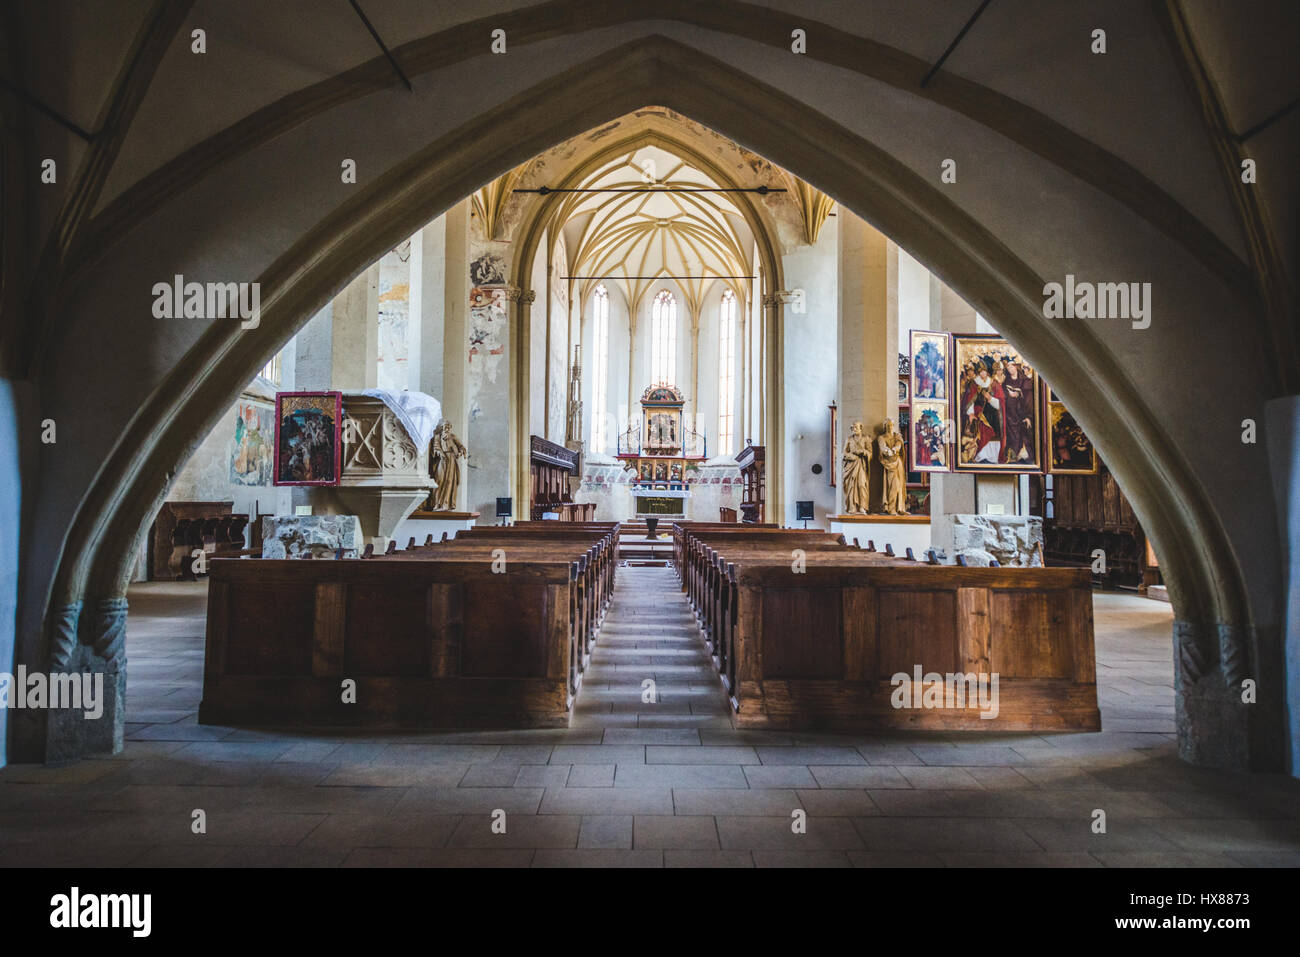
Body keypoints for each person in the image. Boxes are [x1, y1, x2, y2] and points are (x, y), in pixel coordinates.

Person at [961, 359, 1004, 464]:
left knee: (995, 433)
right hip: (978, 412)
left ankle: (992, 457)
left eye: (984, 371)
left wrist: (990, 398)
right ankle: (980, 455)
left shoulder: (994, 383)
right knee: (981, 432)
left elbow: (1001, 400)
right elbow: (969, 400)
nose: (982, 373)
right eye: (980, 372)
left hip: (993, 413)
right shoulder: (974, 384)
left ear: (987, 372)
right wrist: (971, 413)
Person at [1001, 358, 1034, 464]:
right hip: (1010, 414)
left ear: (1016, 367)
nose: (1010, 369)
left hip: (1022, 411)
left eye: (1012, 366)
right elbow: (1003, 396)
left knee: (1025, 432)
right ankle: (1013, 455)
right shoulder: (1006, 381)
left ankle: (1025, 454)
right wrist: (1009, 394)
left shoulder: (1024, 381)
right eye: (1008, 367)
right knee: (1012, 435)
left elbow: (1028, 399)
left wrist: (1019, 394)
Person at [428, 421, 467, 510]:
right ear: (442, 427)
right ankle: (437, 503)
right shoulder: (438, 437)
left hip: (451, 459)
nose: (447, 428)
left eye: (449, 427)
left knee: (450, 481)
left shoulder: (452, 436)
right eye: (445, 426)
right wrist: (440, 453)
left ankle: (446, 504)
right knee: (439, 480)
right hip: (442, 459)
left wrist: (460, 453)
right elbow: (436, 447)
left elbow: (461, 447)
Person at [877, 418, 907, 514]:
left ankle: (900, 508)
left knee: (899, 485)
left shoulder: (896, 436)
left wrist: (895, 448)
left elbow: (899, 444)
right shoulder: (881, 437)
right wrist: (887, 451)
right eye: (887, 425)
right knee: (893, 485)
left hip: (897, 463)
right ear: (885, 427)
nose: (890, 427)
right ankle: (891, 508)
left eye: (891, 425)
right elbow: (882, 447)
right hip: (889, 464)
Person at [841, 421, 872, 513]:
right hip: (851, 466)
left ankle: (862, 506)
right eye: (853, 428)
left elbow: (870, 453)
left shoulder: (866, 439)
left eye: (856, 427)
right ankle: (852, 507)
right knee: (851, 486)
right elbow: (843, 453)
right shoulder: (849, 439)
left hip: (861, 465)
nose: (854, 429)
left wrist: (863, 451)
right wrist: (851, 456)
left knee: (862, 485)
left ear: (861, 428)